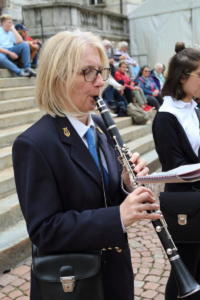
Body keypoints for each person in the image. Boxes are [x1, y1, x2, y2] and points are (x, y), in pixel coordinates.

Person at [12, 30, 161, 300]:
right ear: (58, 78)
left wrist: (126, 184)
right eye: (88, 72)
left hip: (115, 274)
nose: (101, 82)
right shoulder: (35, 143)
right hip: (73, 283)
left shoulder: (102, 126)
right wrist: (117, 216)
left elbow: (104, 192)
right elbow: (45, 230)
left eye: (102, 71)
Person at [152, 42, 200, 299]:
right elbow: (175, 168)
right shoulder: (166, 117)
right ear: (183, 77)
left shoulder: (194, 108)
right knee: (184, 268)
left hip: (197, 196)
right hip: (184, 203)